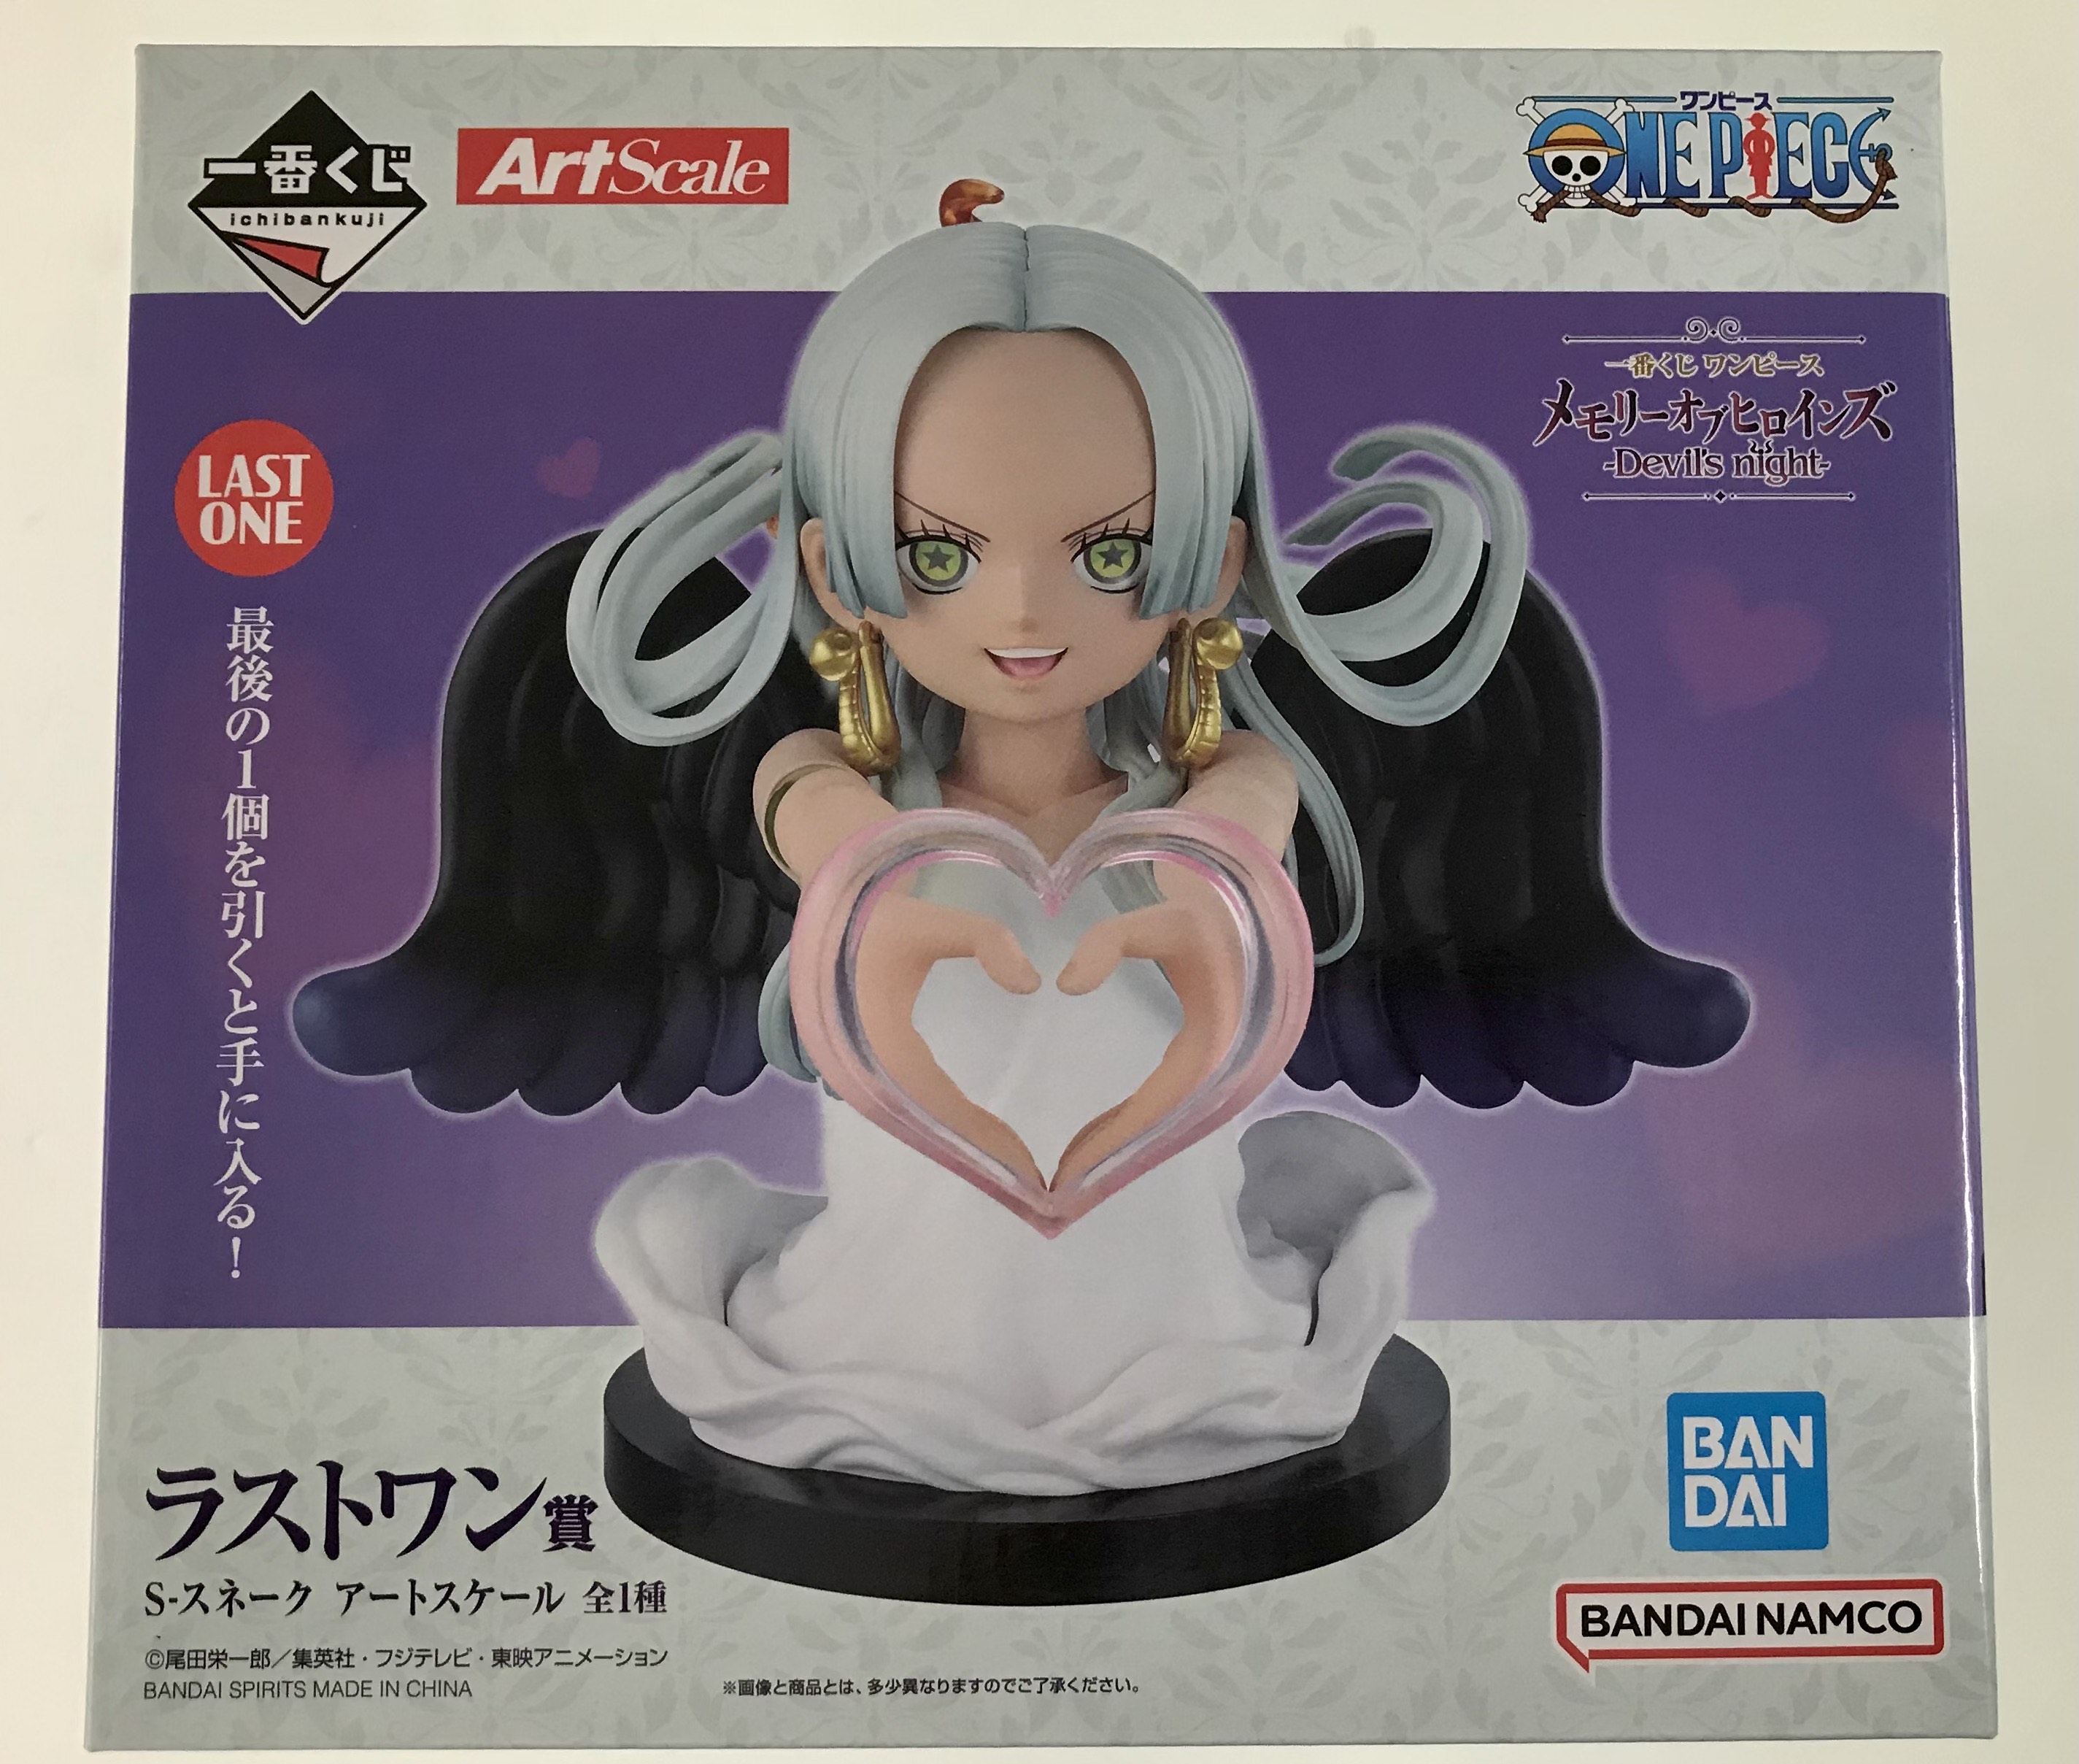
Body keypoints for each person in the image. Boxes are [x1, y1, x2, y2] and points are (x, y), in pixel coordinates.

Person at [296, 188, 1748, 1495]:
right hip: (891, 1311)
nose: (1026, 614)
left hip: (1183, 1307)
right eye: (938, 554)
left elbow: (1245, 821)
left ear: (1214, 560)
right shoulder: (838, 788)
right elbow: (813, 814)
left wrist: (1214, 882)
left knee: (1175, 1267)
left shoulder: (1225, 791)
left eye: (1112, 552)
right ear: (835, 569)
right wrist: (873, 879)